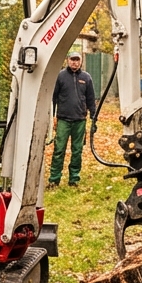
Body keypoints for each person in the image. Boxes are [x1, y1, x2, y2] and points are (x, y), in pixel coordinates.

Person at [48, 51, 96, 187]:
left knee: (77, 151)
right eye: (72, 59)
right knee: (59, 150)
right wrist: (52, 117)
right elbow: (53, 98)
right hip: (63, 120)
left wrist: (94, 117)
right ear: (67, 60)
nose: (75, 62)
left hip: (80, 120)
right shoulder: (60, 76)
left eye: (77, 60)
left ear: (80, 61)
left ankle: (74, 178)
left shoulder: (86, 78)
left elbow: (91, 99)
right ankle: (54, 179)